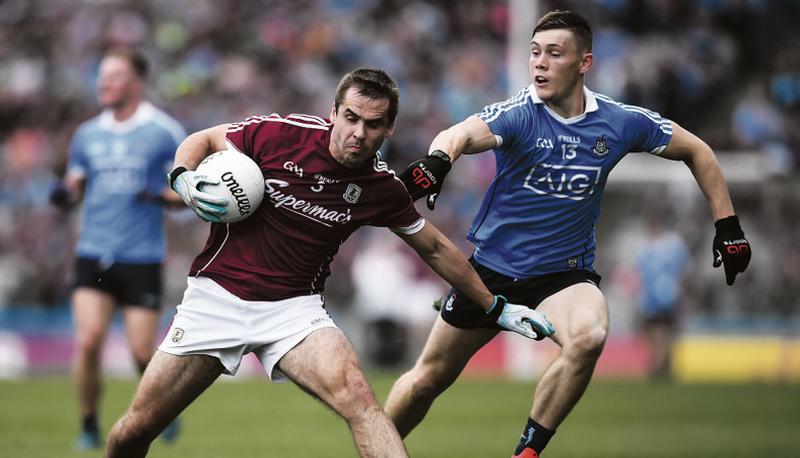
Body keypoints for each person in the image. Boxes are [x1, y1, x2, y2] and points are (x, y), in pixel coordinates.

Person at [103, 67, 554, 458]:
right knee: (133, 431)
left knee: (362, 401)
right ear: (334, 111)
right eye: (351, 118)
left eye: (373, 125)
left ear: (389, 129)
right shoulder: (280, 134)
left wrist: (496, 307)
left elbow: (435, 248)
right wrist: (182, 177)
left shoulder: (381, 187)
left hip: (294, 311)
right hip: (216, 297)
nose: (358, 133)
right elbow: (202, 139)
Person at [388, 10, 752, 458]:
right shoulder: (520, 113)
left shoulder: (619, 121)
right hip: (489, 274)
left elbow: (698, 150)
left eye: (554, 54)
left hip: (564, 277)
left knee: (589, 337)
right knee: (427, 380)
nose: (539, 63)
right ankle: (375, 448)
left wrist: (728, 226)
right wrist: (437, 162)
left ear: (585, 63)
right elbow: (459, 132)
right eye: (535, 53)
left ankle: (527, 452)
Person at [49, 48, 186, 450]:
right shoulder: (87, 134)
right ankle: (89, 423)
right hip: (93, 252)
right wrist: (66, 193)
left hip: (141, 256)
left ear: (136, 82)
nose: (103, 83)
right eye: (101, 75)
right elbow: (74, 182)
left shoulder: (164, 131)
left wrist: (161, 196)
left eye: (113, 75)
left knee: (143, 351)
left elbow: (185, 191)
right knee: (88, 340)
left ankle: (163, 411)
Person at [636, 210, 689, 380]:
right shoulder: (670, 244)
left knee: (659, 329)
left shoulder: (660, 245)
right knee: (660, 330)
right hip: (661, 294)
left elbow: (679, 268)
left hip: (660, 295)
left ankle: (660, 364)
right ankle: (664, 362)